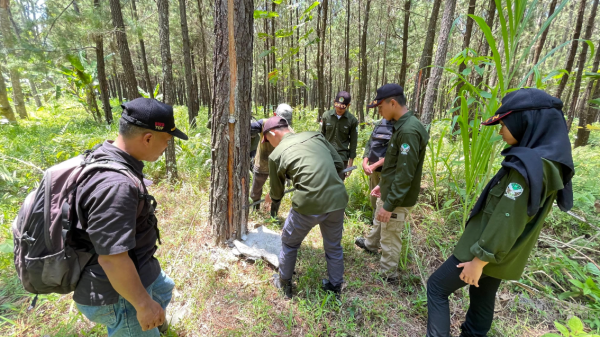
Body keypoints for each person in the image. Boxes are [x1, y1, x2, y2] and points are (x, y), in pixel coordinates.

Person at [426, 88, 575, 337]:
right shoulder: (550, 162)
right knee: (482, 295)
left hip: (485, 249)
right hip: (503, 253)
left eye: (503, 123)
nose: (500, 130)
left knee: (437, 287)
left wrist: (479, 259)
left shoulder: (529, 168)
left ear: (523, 121)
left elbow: (508, 218)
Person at [73, 98, 188, 336]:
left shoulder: (111, 154)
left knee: (164, 288)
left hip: (139, 265)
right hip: (118, 293)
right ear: (148, 138)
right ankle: (146, 320)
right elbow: (113, 259)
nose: (167, 146)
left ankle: (158, 321)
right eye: (167, 140)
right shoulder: (116, 186)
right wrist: (143, 305)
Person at [262, 116, 348, 298]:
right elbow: (339, 164)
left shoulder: (276, 156)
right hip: (337, 199)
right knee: (333, 246)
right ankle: (335, 288)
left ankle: (284, 284)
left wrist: (271, 198)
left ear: (272, 133)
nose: (269, 144)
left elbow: (277, 194)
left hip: (308, 203)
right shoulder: (315, 136)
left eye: (268, 140)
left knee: (289, 242)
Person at [354, 84, 429, 284]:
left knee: (390, 234)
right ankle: (370, 245)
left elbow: (406, 174)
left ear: (393, 102)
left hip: (399, 197)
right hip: (390, 189)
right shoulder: (402, 125)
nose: (379, 112)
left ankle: (388, 274)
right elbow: (396, 165)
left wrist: (391, 203)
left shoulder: (409, 131)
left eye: (380, 107)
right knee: (380, 219)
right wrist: (383, 185)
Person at [249, 104, 294, 214]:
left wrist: (288, 175)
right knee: (256, 190)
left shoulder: (291, 132)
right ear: (274, 115)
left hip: (279, 167)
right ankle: (255, 210)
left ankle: (273, 215)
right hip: (262, 163)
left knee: (277, 192)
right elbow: (249, 129)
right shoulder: (264, 123)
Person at [321, 91, 358, 181]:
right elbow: (321, 136)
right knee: (324, 182)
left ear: (348, 105)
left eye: (342, 107)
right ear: (334, 102)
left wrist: (350, 162)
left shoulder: (352, 120)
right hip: (326, 155)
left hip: (341, 157)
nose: (339, 109)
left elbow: (353, 141)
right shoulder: (326, 116)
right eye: (337, 105)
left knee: (338, 183)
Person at [362, 116, 394, 216]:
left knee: (383, 198)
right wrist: (365, 163)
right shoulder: (379, 123)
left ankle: (382, 223)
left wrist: (375, 165)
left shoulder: (399, 125)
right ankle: (374, 219)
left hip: (387, 170)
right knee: (374, 196)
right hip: (373, 169)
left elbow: (393, 153)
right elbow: (369, 145)